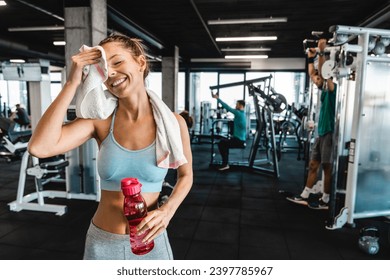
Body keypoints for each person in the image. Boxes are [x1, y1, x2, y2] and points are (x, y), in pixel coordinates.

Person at [27, 34, 193, 260]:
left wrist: (167, 210)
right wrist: (71, 82)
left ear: (140, 63)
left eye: (118, 62)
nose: (111, 72)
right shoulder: (100, 121)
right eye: (104, 68)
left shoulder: (173, 122)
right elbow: (40, 147)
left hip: (152, 243)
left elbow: (186, 175)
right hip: (103, 243)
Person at [287, 38, 337, 210]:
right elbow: (311, 72)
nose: (315, 80)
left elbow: (322, 75)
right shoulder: (321, 88)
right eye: (315, 79)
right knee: (313, 164)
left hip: (329, 132)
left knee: (327, 167)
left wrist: (322, 52)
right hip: (320, 133)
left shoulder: (331, 88)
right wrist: (310, 57)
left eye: (317, 78)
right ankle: (305, 195)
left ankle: (326, 199)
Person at [211, 93, 246, 171]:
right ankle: (225, 163)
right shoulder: (242, 114)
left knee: (222, 144)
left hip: (239, 140)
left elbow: (227, 107)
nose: (235, 106)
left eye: (237, 105)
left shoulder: (238, 113)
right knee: (223, 143)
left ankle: (225, 164)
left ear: (240, 106)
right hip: (239, 139)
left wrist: (217, 98)